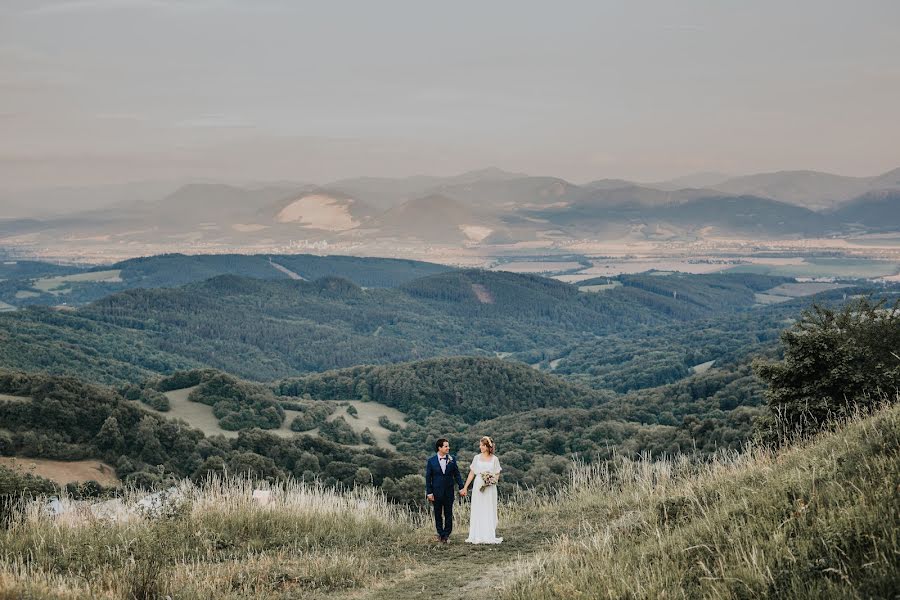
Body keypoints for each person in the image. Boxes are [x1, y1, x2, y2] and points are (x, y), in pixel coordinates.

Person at [461, 436, 503, 544]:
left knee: (489, 507)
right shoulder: (476, 458)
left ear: (488, 446)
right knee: (478, 507)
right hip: (478, 484)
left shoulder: (495, 459)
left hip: (490, 486)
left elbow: (497, 473)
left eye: (483, 445)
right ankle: (477, 534)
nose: (481, 447)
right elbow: (472, 473)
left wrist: (492, 481)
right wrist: (465, 487)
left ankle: (488, 534)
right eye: (480, 445)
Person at [425, 438, 466, 544]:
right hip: (436, 492)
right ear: (440, 448)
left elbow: (457, 474)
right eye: (446, 446)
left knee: (448, 513)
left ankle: (447, 534)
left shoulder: (452, 459)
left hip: (449, 491)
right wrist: (429, 492)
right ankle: (441, 534)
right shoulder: (431, 461)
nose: (448, 448)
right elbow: (428, 478)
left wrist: (461, 487)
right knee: (437, 514)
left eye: (448, 446)